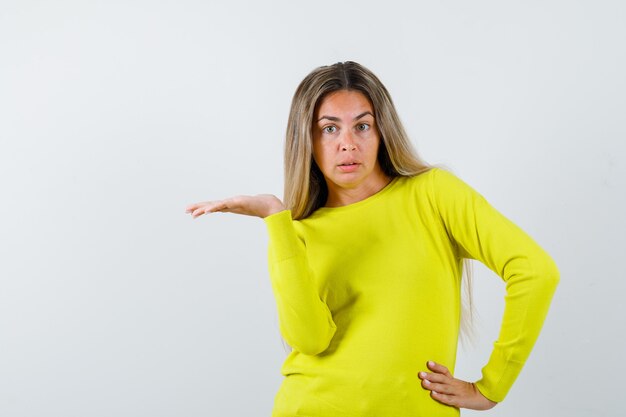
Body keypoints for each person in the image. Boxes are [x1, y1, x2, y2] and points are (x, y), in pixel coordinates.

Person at [185, 61, 560, 416]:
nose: (347, 143)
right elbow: (310, 341)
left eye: (362, 126)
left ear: (382, 132)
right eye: (329, 128)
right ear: (308, 140)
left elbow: (535, 271)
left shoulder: (432, 194)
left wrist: (491, 386)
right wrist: (275, 217)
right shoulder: (293, 230)